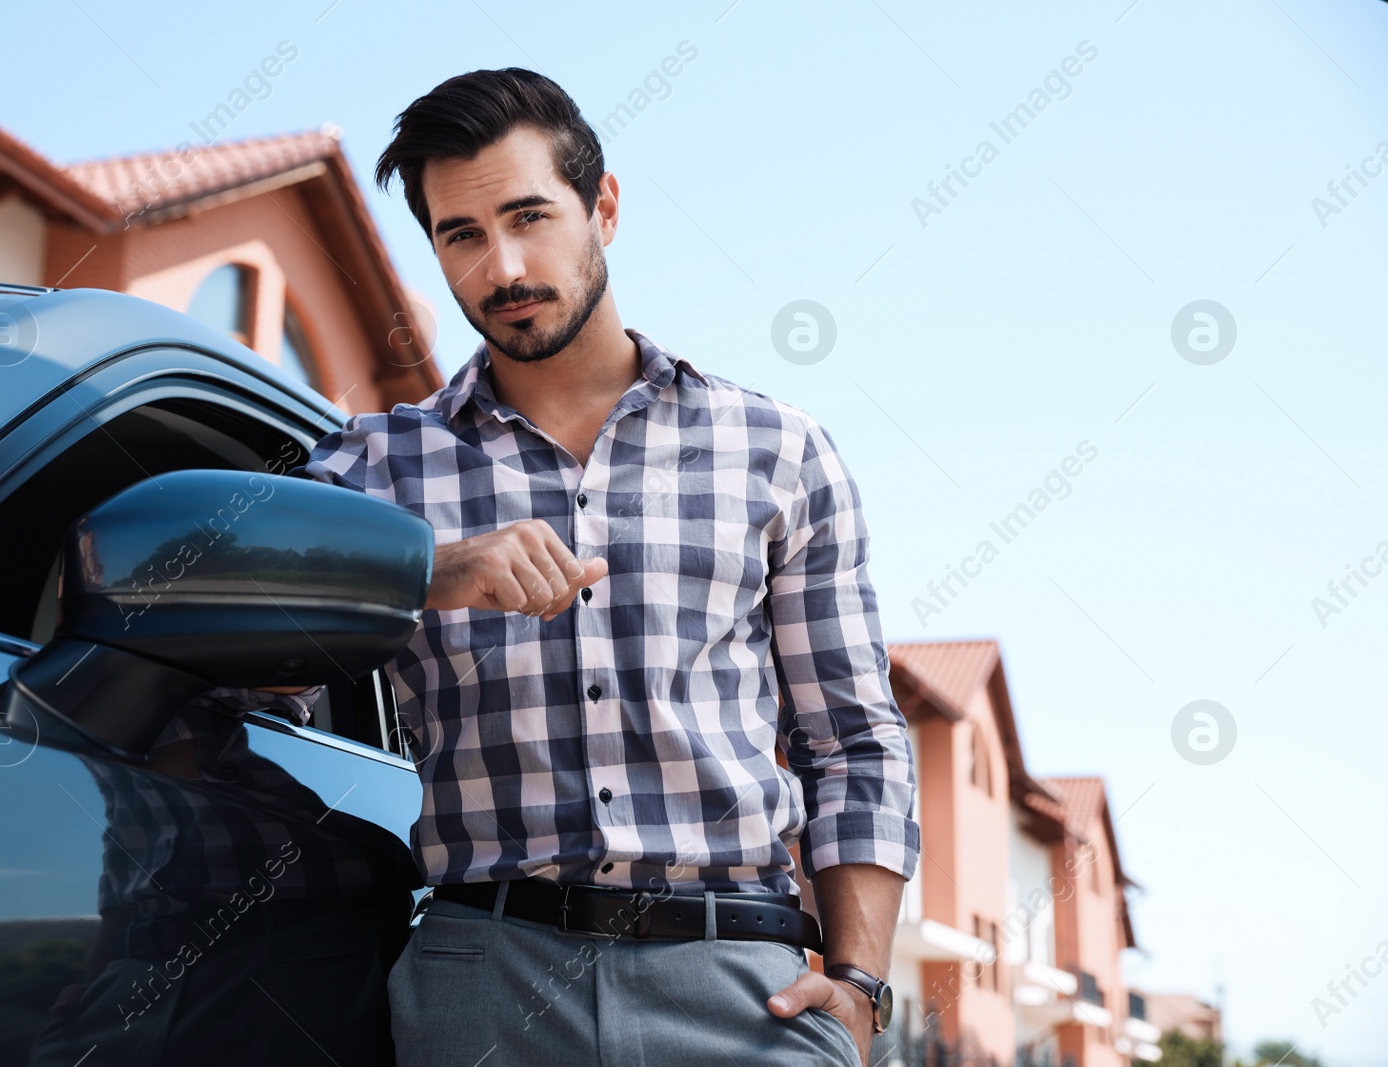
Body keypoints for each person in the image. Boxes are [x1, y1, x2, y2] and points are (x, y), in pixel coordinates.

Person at [269, 67, 919, 1065]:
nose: (505, 265)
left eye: (530, 216)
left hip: (745, 986)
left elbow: (853, 738)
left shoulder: (776, 451)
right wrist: (423, 568)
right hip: (484, 979)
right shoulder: (370, 467)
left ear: (601, 206)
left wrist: (862, 987)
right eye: (462, 234)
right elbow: (259, 663)